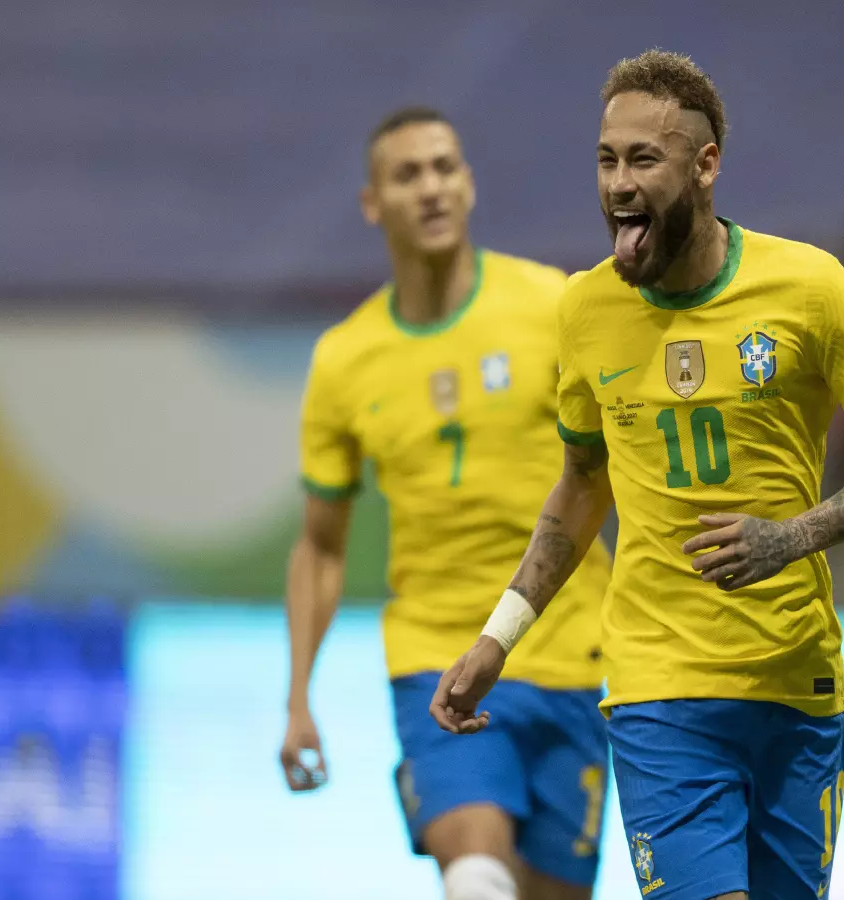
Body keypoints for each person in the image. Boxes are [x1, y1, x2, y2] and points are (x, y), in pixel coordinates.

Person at [430, 51, 844, 900]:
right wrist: (499, 637)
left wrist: (795, 535)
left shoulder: (809, 289)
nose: (619, 183)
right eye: (606, 159)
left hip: (798, 685)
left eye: (643, 159)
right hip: (658, 689)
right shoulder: (587, 310)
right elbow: (579, 488)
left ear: (705, 166)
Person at [279, 106, 613, 900]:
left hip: (572, 653)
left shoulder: (554, 307)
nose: (429, 188)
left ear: (467, 185)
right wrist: (298, 697)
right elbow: (321, 546)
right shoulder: (345, 358)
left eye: (443, 168)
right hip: (435, 656)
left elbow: (612, 469)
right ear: (373, 204)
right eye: (407, 174)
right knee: (473, 870)